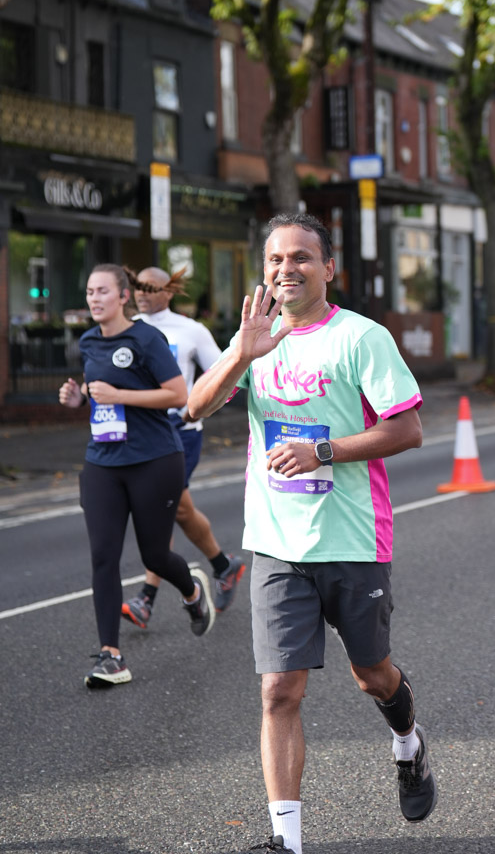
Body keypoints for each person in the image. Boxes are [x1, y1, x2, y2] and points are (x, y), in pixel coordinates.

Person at [187, 213, 436, 854]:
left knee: (372, 674)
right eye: (275, 259)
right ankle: (286, 842)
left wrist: (322, 451)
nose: (286, 269)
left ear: (328, 268)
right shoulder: (254, 338)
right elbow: (195, 407)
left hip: (353, 538)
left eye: (301, 257)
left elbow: (407, 430)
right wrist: (242, 353)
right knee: (279, 690)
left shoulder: (362, 337)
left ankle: (407, 742)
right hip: (276, 541)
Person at [58, 264, 214, 689]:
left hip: (154, 459)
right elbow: (99, 394)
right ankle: (111, 655)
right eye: (89, 291)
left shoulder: (147, 339)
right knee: (103, 558)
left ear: (123, 296)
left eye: (103, 291)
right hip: (103, 462)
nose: (94, 299)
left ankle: (193, 592)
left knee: (154, 556)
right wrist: (79, 399)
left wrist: (120, 395)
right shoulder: (89, 341)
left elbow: (178, 395)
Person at [121, 265, 245, 628]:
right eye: (137, 287)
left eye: (150, 287)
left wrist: (196, 409)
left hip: (181, 433)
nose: (142, 293)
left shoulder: (191, 331)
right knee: (180, 510)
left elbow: (224, 375)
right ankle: (224, 566)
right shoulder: (128, 328)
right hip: (141, 432)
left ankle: (146, 598)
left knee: (160, 508)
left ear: (170, 291)